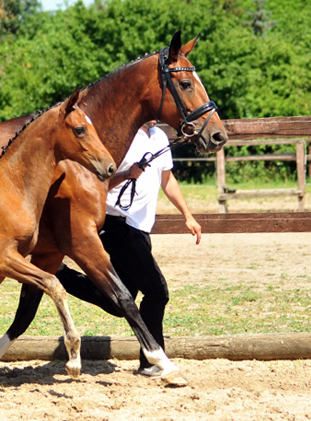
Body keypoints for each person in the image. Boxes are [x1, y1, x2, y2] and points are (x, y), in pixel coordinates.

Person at [57, 121, 202, 376]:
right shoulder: (119, 135)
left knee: (115, 302)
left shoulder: (159, 137)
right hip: (117, 223)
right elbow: (95, 184)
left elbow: (167, 179)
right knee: (157, 292)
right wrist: (126, 174)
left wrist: (187, 214)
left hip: (141, 228)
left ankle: (58, 275)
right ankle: (152, 361)